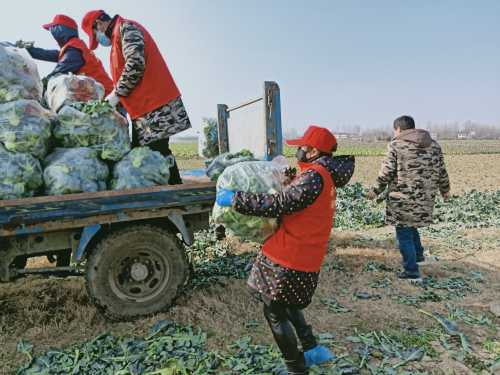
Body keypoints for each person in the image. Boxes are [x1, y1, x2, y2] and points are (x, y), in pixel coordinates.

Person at [217, 125, 355, 375]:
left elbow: (281, 203)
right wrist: (290, 180)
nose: (298, 151)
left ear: (313, 151)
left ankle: (296, 367)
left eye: (302, 147)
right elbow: (301, 201)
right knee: (287, 303)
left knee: (274, 310)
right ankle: (311, 348)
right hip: (305, 253)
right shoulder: (321, 175)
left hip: (290, 254)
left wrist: (236, 199)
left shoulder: (315, 177)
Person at [81, 10, 191, 185]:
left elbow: (135, 64)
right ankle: (168, 199)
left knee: (157, 154)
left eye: (95, 34)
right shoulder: (118, 34)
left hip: (156, 105)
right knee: (145, 155)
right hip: (144, 108)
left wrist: (116, 95)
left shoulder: (126, 28)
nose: (99, 39)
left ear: (99, 24)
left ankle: (177, 201)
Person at [366, 115, 450, 281]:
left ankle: (411, 271)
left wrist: (374, 191)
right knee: (411, 226)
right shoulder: (434, 145)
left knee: (403, 232)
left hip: (402, 198)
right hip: (425, 197)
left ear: (398, 129)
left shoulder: (396, 145)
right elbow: (442, 170)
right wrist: (445, 190)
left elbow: (386, 173)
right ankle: (419, 256)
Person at [16, 14, 113, 95]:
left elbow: (59, 71)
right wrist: (26, 50)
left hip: (106, 97)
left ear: (59, 30)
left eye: (52, 30)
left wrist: (37, 88)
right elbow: (47, 54)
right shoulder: (74, 47)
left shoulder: (74, 50)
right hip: (102, 94)